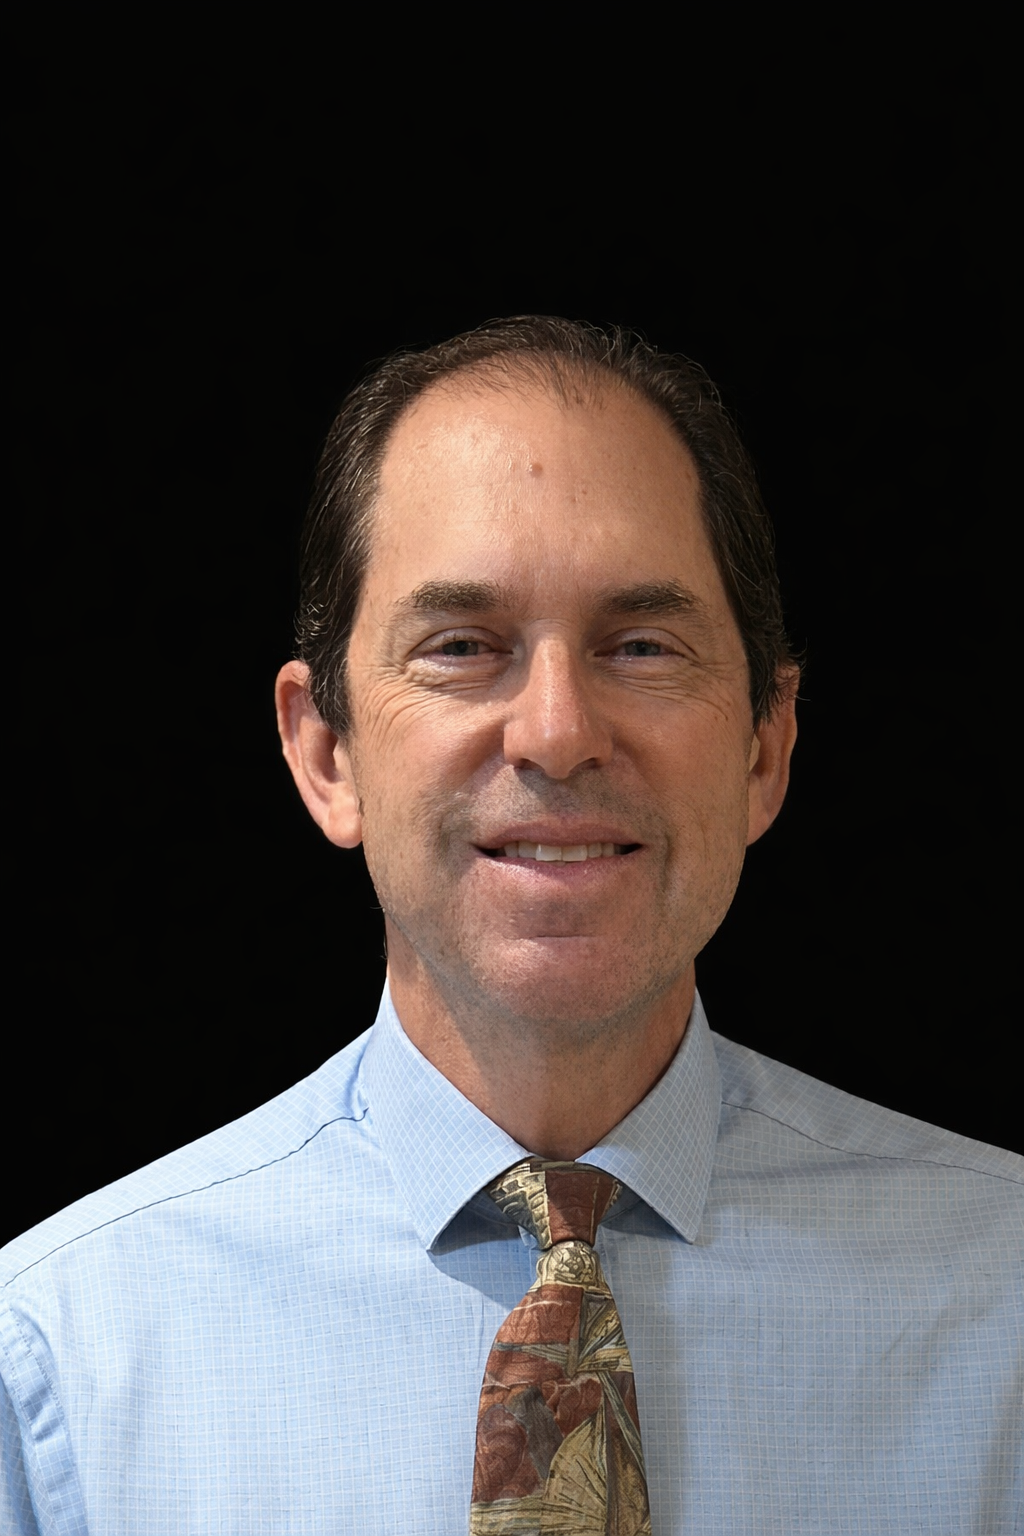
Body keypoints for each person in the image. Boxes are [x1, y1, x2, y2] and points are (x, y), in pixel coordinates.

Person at [2, 318, 1020, 1534]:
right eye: (463, 648)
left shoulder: (1006, 1297)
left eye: (640, 645)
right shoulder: (64, 1351)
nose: (555, 730)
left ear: (765, 746)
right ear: (325, 754)